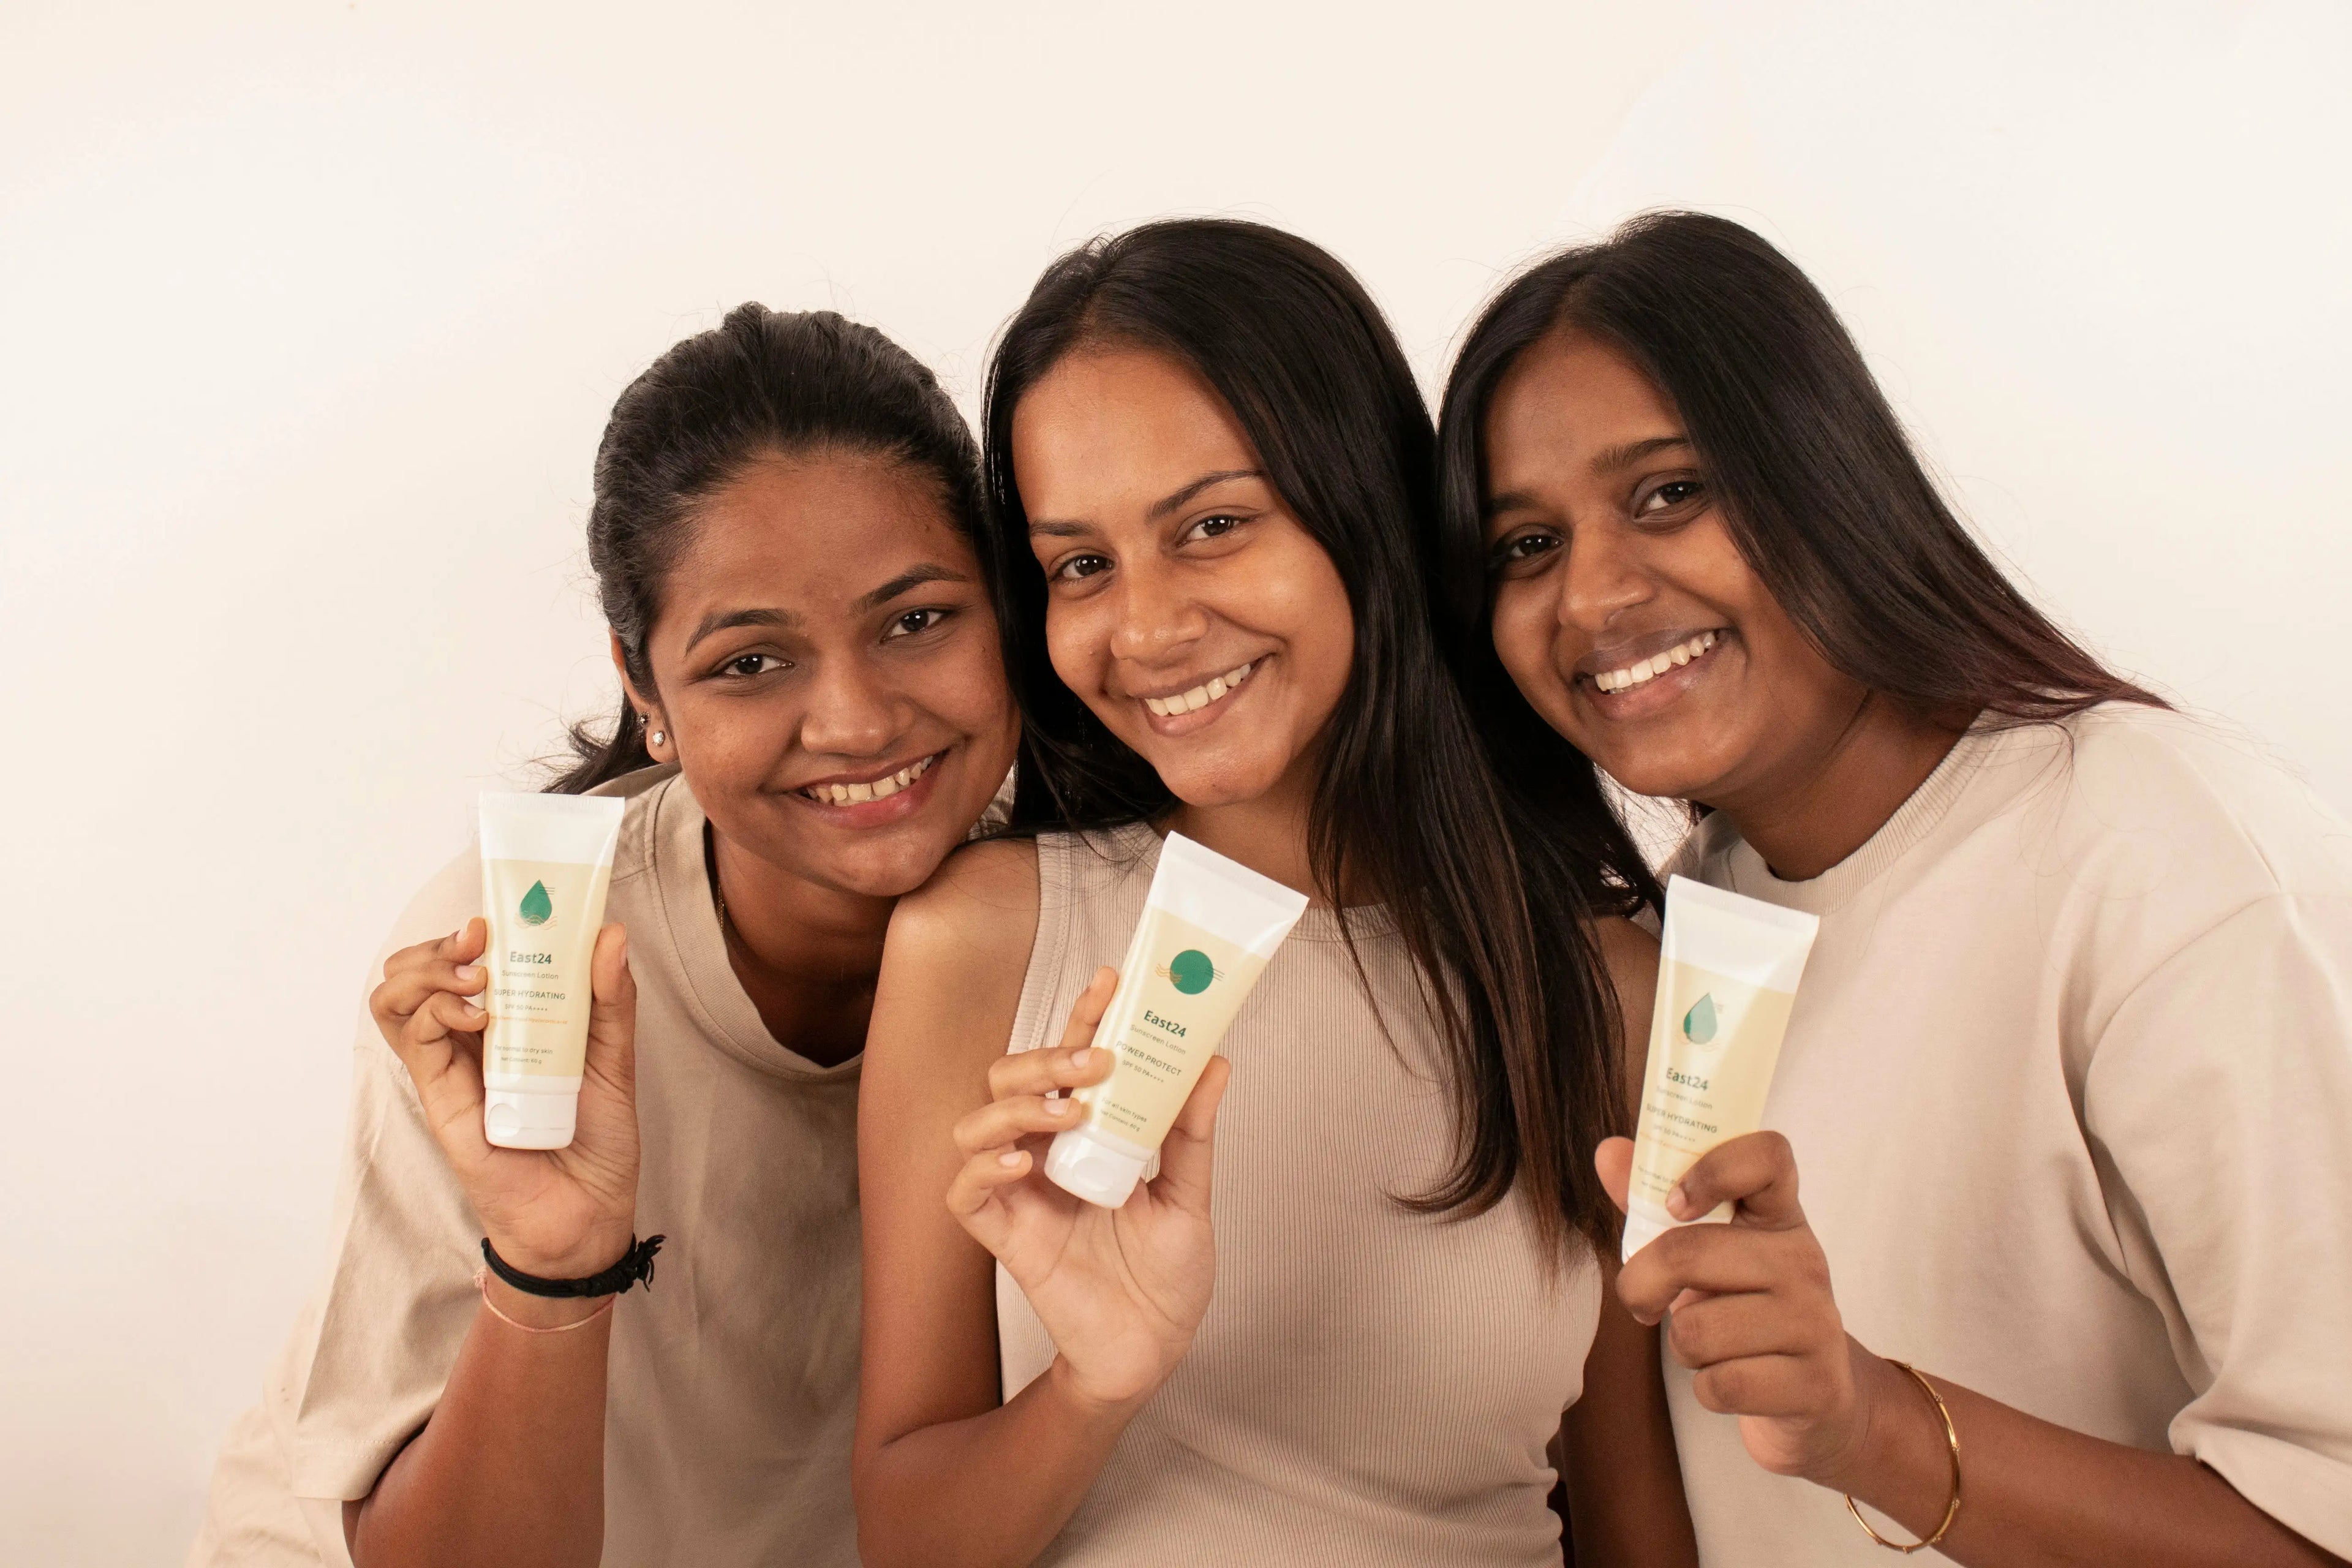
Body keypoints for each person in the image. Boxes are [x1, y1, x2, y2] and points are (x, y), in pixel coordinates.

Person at [1435, 210, 2352, 1566]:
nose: (1593, 597)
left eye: (1670, 492)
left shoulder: (2151, 850)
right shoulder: (1681, 945)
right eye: (1526, 546)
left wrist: (1869, 1421)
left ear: (1822, 474)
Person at [853, 219, 1699, 1567]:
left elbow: (1631, 1527)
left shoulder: (1601, 990)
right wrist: (1096, 1382)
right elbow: (910, 1542)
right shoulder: (984, 938)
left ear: (1359, 505)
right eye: (1082, 563)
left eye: (1213, 525)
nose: (1145, 627)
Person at [187, 304, 1022, 1568]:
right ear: (647, 693)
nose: (855, 720)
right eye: (752, 661)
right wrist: (551, 1265)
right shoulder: (514, 956)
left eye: (916, 620)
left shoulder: (1100, 909)